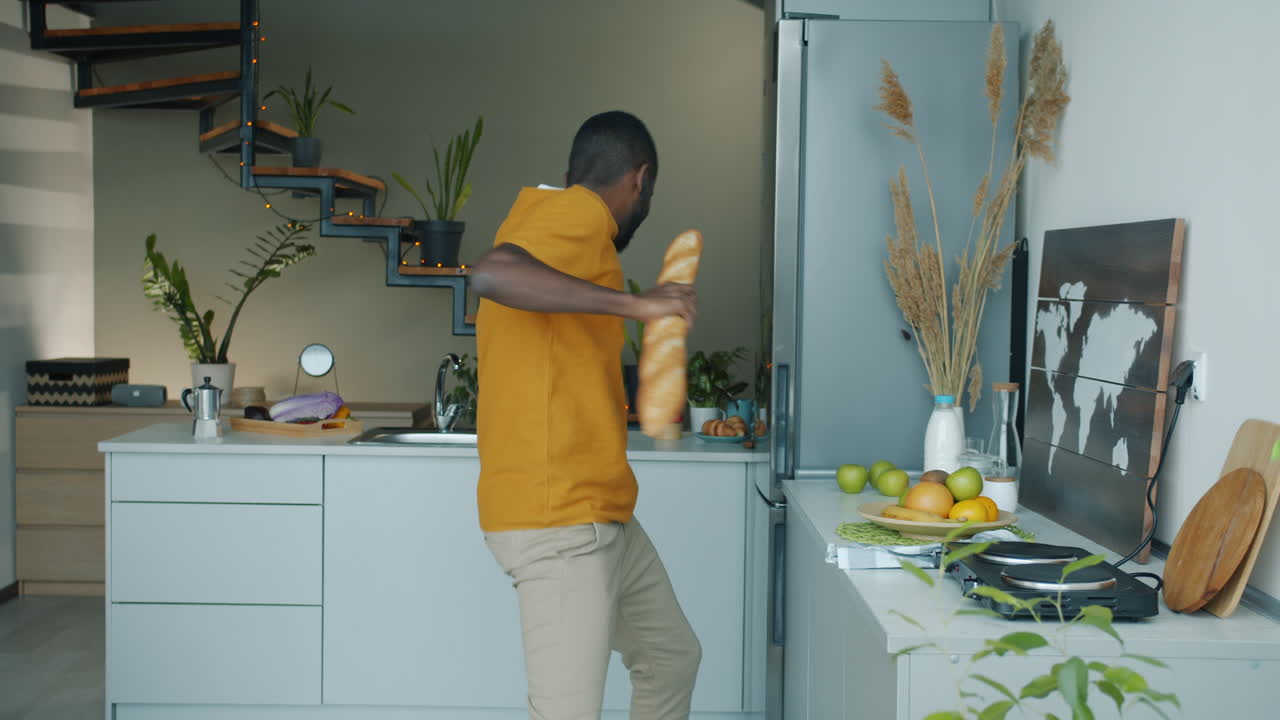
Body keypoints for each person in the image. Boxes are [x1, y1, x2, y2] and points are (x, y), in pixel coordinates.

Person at [469, 110, 701, 720]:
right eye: (647, 196)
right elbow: (491, 273)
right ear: (638, 179)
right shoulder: (578, 213)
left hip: (602, 512)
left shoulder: (561, 226)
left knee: (671, 658)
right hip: (561, 521)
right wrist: (636, 305)